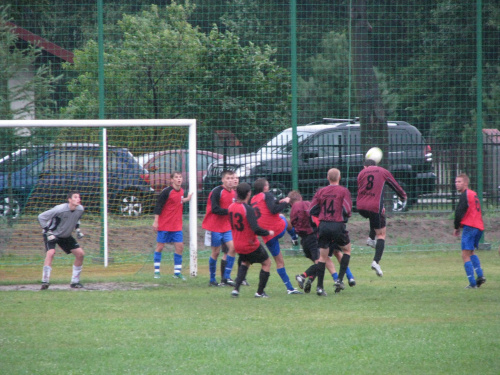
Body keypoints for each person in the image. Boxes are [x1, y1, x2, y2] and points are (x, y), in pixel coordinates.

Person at [288, 191, 355, 293]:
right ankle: (304, 277)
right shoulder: (307, 204)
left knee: (322, 260)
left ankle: (312, 280)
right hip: (321, 233)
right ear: (300, 197)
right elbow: (313, 216)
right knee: (328, 258)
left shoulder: (293, 210)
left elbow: (292, 225)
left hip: (305, 240)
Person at [250, 178, 301, 294]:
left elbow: (267, 207)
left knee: (279, 262)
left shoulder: (253, 199)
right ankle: (294, 237)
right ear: (265, 187)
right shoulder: (266, 194)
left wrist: (278, 201)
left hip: (267, 235)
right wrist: (286, 201)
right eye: (267, 184)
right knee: (283, 217)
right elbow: (273, 210)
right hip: (277, 228)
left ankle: (290, 288)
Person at [357, 158, 407, 277]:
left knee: (373, 215)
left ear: (366, 167)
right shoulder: (382, 171)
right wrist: (403, 196)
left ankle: (370, 238)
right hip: (374, 207)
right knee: (381, 234)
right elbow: (394, 184)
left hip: (360, 206)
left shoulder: (361, 173)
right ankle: (376, 262)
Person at [310, 168, 352, 296]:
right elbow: (347, 209)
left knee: (323, 257)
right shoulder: (343, 191)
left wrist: (322, 214)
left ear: (328, 178)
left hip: (323, 225)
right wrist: (343, 218)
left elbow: (312, 209)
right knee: (346, 250)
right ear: (339, 178)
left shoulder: (321, 191)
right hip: (337, 225)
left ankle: (320, 288)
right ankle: (339, 279)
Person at [228, 182, 275, 298]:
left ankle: (236, 289)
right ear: (248, 194)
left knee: (245, 262)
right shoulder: (247, 209)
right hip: (250, 244)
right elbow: (255, 229)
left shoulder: (231, 207)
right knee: (267, 263)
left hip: (237, 244)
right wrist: (268, 232)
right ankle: (260, 292)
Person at [38, 191, 86, 290]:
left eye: (79, 197)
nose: (78, 199)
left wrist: (77, 230)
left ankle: (75, 282)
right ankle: (45, 281)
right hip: (52, 234)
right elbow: (41, 217)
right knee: (51, 253)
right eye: (75, 197)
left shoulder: (80, 209)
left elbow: (76, 219)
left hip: (65, 235)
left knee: (80, 254)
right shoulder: (60, 209)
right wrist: (48, 232)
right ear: (69, 200)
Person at [152, 171, 193, 280]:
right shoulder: (166, 191)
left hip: (176, 226)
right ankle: (156, 271)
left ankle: (177, 272)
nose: (179, 179)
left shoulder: (182, 191)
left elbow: (178, 201)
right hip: (164, 225)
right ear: (172, 180)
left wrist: (186, 199)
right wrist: (156, 221)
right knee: (160, 247)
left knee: (180, 247)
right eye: (176, 177)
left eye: (180, 177)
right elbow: (158, 205)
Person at [202, 170, 237, 286]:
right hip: (214, 226)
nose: (230, 180)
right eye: (228, 178)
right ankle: (212, 279)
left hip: (226, 226)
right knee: (216, 252)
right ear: (223, 180)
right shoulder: (217, 191)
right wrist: (230, 211)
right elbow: (215, 209)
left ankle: (226, 277)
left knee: (233, 248)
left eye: (232, 178)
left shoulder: (234, 193)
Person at [453, 173, 486, 289]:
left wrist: (456, 227)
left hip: (470, 227)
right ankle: (480, 275)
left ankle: (472, 284)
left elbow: (459, 212)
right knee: (471, 252)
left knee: (464, 255)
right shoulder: (473, 194)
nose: (457, 184)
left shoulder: (465, 195)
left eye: (459, 182)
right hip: (479, 227)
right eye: (456, 182)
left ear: (466, 183)